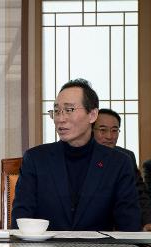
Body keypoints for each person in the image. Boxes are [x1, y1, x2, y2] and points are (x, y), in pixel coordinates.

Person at [11, 78, 141, 231]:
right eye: (57, 111)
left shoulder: (118, 163)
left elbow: (129, 227)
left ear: (92, 115)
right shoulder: (35, 159)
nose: (60, 118)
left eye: (69, 110)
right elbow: (21, 221)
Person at [93, 108, 151, 231]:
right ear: (91, 131)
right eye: (103, 130)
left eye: (114, 130)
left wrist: (147, 221)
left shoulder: (126, 157)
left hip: (122, 226)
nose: (109, 136)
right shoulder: (81, 156)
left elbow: (139, 193)